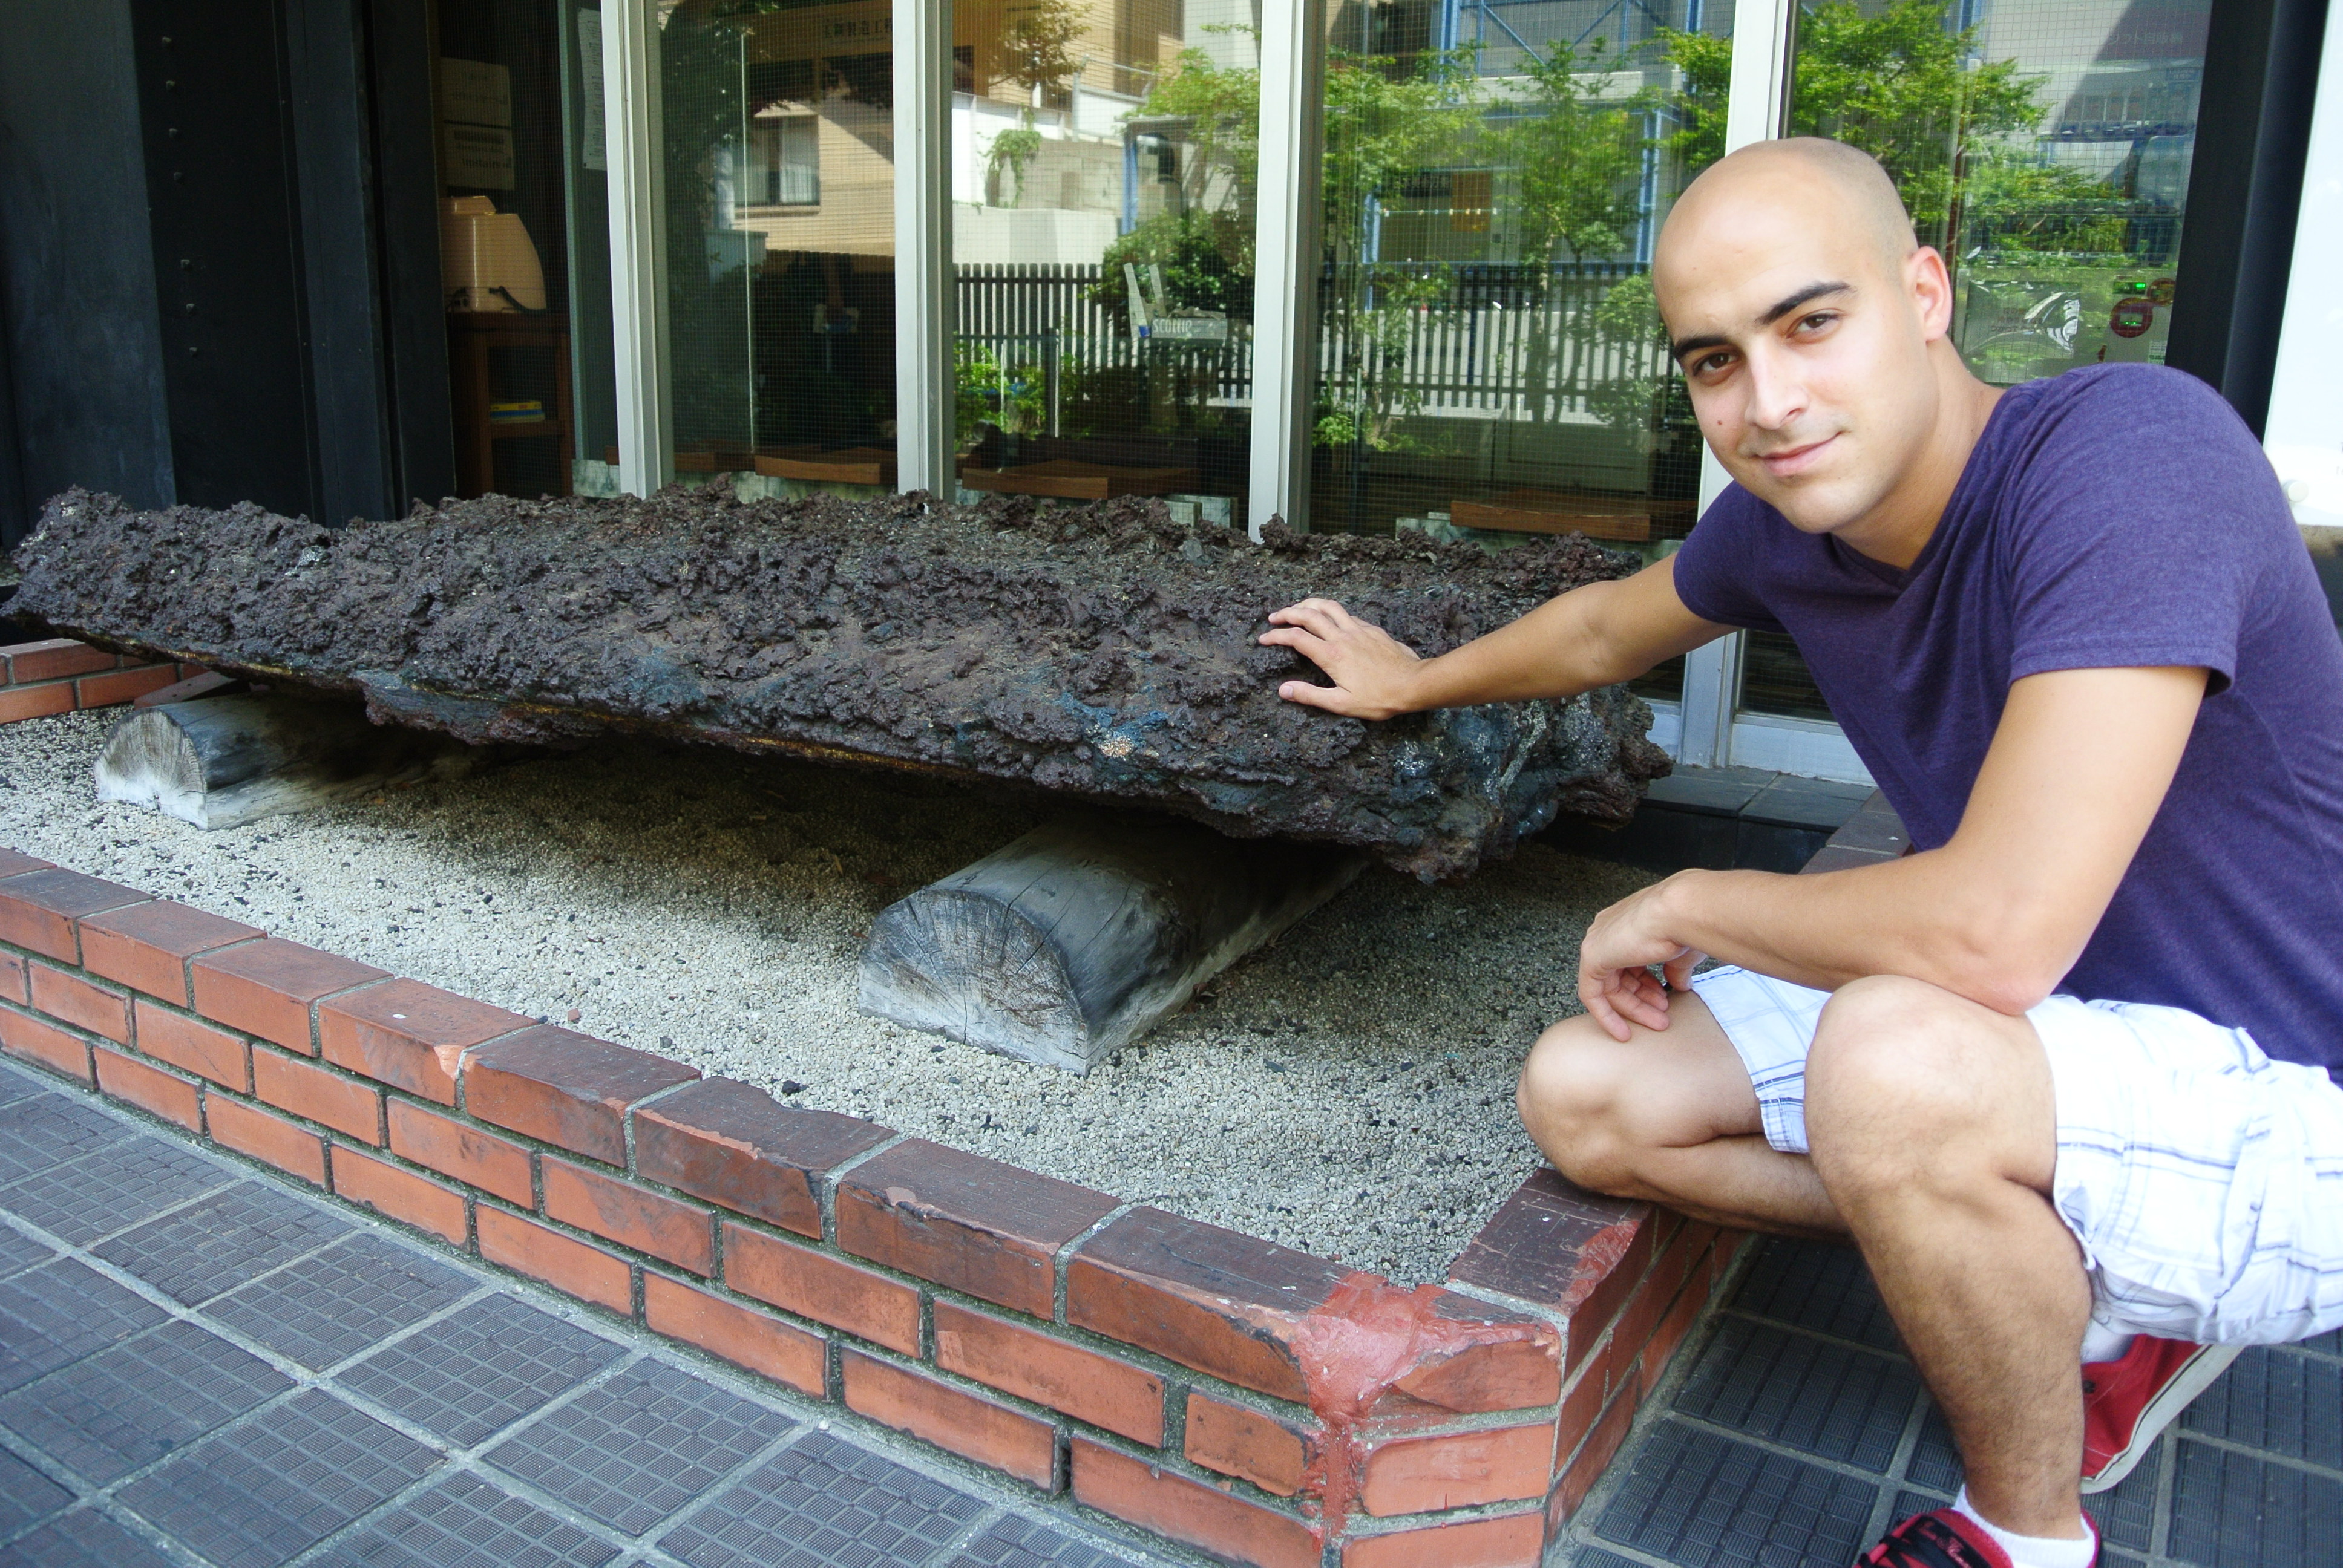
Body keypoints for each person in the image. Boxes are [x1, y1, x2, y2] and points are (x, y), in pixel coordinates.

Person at [1260, 137, 2343, 1568]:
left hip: (2291, 1099)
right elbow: (1607, 626)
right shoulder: (1788, 523)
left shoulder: (2132, 459)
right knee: (1590, 1096)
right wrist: (1414, 681)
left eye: (1810, 323)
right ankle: (2069, 1281)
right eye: (1713, 361)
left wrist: (1694, 898)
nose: (1767, 403)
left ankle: (2024, 1535)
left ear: (1924, 293)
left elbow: (1993, 935)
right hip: (2051, 1035)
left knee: (1894, 1060)